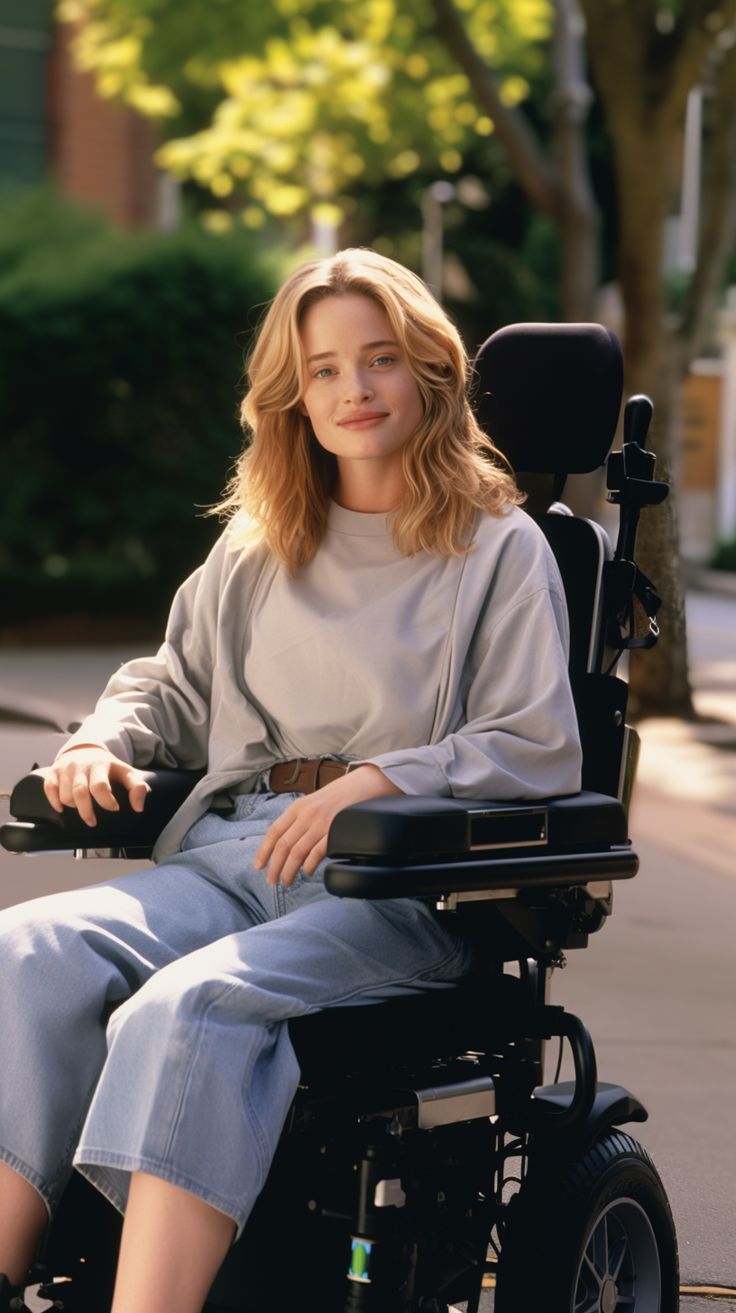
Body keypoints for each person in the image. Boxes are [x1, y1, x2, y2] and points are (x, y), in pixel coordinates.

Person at [0, 248, 582, 1313]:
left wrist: (375, 782)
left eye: (379, 360)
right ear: (291, 394)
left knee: (186, 1006)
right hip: (235, 850)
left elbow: (535, 742)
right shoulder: (261, 543)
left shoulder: (498, 546)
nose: (352, 390)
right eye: (322, 369)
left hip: (396, 885)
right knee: (24, 947)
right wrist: (99, 742)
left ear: (429, 373)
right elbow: (168, 684)